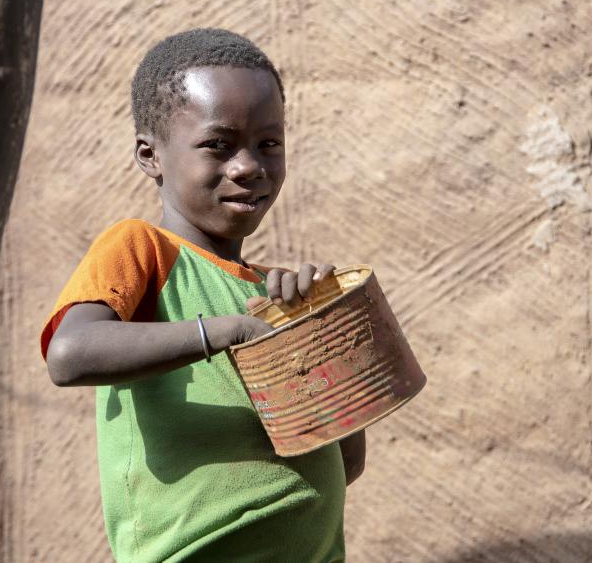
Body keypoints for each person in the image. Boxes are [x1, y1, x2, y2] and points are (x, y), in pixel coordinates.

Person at [40, 28, 365, 562]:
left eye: (269, 144)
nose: (248, 166)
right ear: (151, 155)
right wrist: (224, 331)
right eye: (218, 144)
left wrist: (323, 345)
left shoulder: (273, 294)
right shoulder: (142, 249)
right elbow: (69, 355)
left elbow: (343, 462)